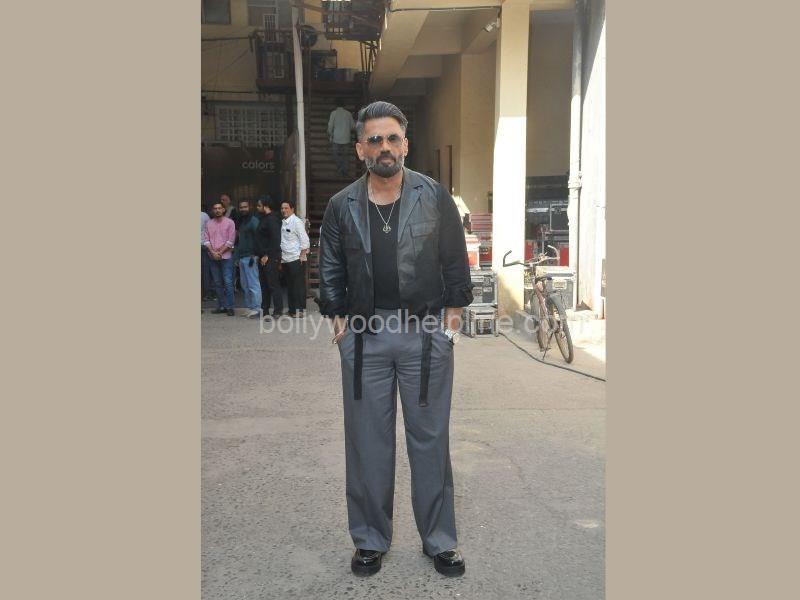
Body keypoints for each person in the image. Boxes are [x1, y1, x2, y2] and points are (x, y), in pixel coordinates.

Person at [318, 101, 473, 577]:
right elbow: (330, 267)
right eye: (374, 140)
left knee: (430, 440)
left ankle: (440, 540)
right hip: (365, 338)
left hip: (425, 337)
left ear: (405, 144)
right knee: (367, 442)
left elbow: (454, 262)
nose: (384, 147)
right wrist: (339, 323)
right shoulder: (341, 205)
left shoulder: (434, 196)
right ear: (360, 149)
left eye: (392, 139)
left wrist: (449, 328)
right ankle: (370, 540)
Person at [204, 201, 236, 316]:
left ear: (223, 210)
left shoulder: (230, 222)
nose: (217, 210)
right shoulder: (209, 223)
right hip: (212, 258)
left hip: (226, 257)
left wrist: (220, 253)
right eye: (215, 208)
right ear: (213, 211)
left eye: (219, 208)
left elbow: (230, 241)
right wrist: (213, 253)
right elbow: (206, 240)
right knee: (217, 283)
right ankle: (222, 306)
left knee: (228, 282)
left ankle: (230, 307)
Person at [280, 200, 310, 318]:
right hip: (285, 259)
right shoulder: (283, 222)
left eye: (286, 208)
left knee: (298, 286)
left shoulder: (296, 222)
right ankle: (292, 310)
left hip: (296, 258)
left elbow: (305, 240)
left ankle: (300, 311)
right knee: (290, 286)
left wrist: (302, 256)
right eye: (282, 208)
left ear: (292, 209)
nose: (284, 210)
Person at [255, 196, 284, 318]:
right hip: (262, 257)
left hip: (270, 257)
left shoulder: (272, 219)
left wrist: (267, 255)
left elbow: (275, 239)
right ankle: (265, 310)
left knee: (273, 284)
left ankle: (278, 310)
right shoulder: (264, 218)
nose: (257, 208)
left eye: (259, 205)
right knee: (264, 285)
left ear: (265, 206)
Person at [234, 200, 262, 319]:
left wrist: (255, 254)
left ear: (250, 207)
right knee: (244, 285)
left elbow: (259, 238)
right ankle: (250, 307)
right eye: (241, 207)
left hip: (251, 257)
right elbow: (239, 240)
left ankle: (257, 309)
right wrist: (237, 257)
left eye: (245, 207)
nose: (243, 209)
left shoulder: (254, 220)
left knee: (253, 284)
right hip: (242, 257)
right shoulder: (241, 221)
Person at [328, 99, 355, 177]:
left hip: (336, 139)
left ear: (336, 105)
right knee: (345, 156)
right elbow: (353, 126)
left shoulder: (333, 113)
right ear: (344, 105)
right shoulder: (348, 114)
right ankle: (344, 172)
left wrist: (330, 134)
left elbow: (330, 126)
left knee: (336, 155)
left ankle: (340, 169)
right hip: (346, 139)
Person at [201, 206, 214, 301]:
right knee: (206, 271)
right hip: (203, 245)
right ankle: (206, 294)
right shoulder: (204, 215)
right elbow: (211, 230)